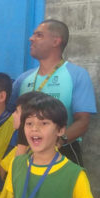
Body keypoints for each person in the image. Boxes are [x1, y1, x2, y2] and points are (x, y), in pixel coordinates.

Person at [8, 19, 97, 166]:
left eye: (39, 35)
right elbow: (9, 113)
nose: (31, 38)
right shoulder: (23, 79)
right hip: (25, 150)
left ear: (56, 41)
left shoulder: (76, 75)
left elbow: (83, 121)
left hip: (63, 150)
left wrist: (57, 141)